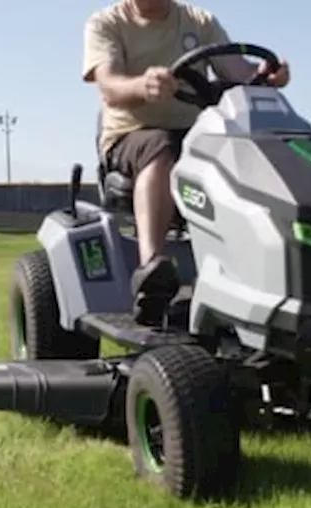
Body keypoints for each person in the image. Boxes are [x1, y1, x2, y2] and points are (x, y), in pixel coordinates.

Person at [82, 0, 291, 326]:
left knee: (246, 152)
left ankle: (260, 272)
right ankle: (152, 272)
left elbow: (240, 73)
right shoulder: (106, 23)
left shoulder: (199, 21)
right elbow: (109, 86)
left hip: (196, 134)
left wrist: (266, 75)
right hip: (130, 135)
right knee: (161, 145)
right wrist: (142, 85)